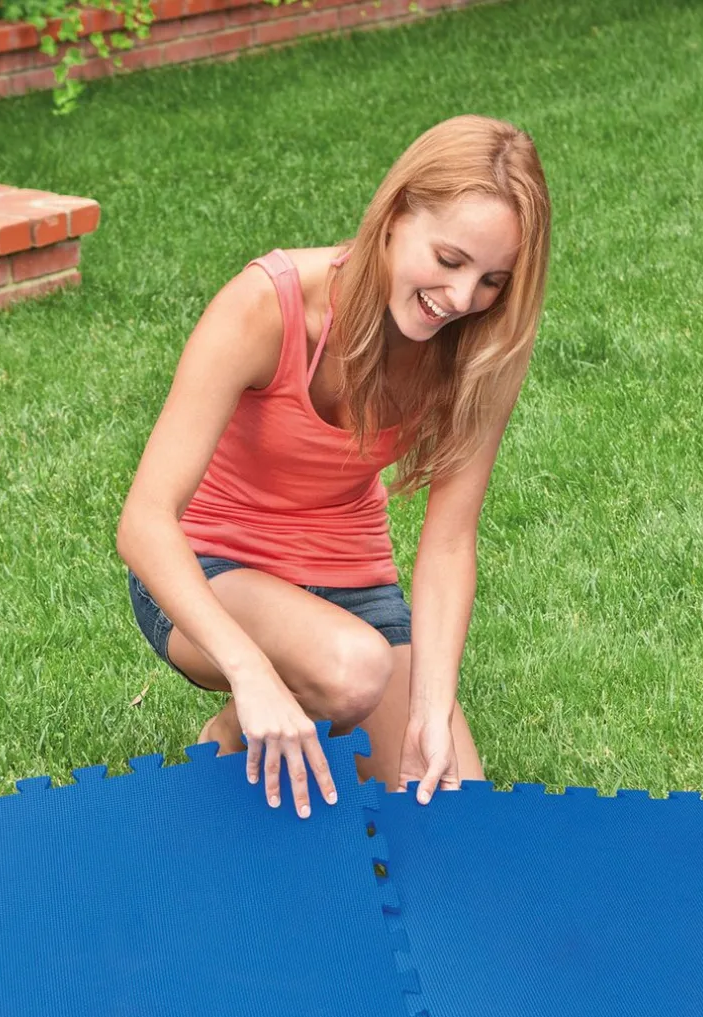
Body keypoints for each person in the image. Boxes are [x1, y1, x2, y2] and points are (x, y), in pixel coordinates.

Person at [117, 115, 551, 818]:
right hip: (207, 571)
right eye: (448, 259)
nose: (461, 298)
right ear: (395, 215)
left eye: (491, 279)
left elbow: (448, 541)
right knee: (353, 670)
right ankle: (234, 728)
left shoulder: (483, 347)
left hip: (351, 584)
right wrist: (251, 673)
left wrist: (433, 708)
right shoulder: (267, 305)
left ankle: (278, 716)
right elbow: (143, 523)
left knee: (457, 815)